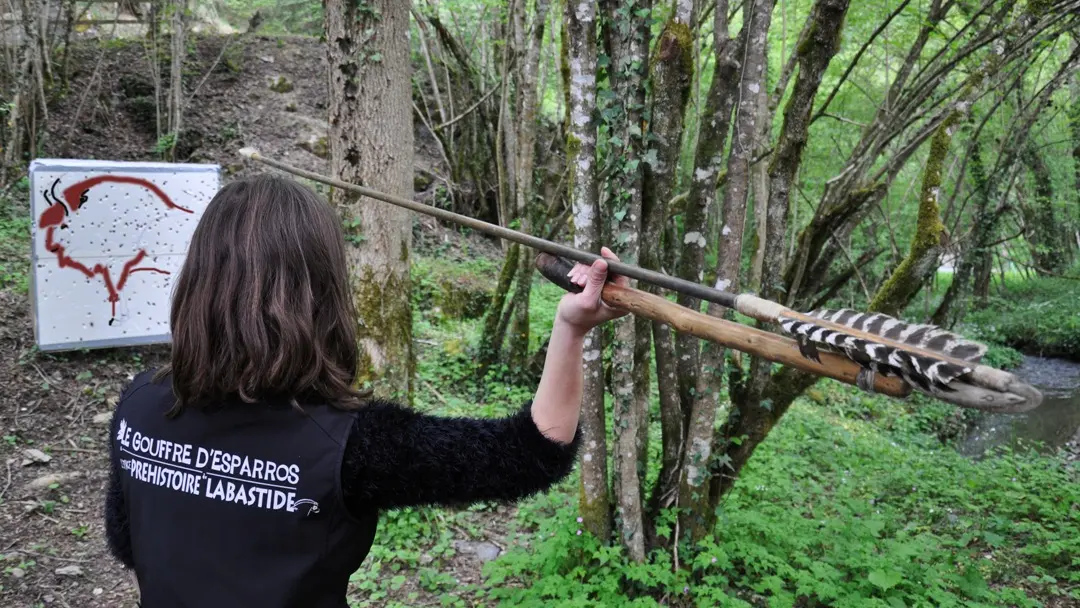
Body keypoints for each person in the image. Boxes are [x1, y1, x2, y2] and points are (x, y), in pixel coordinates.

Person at [103, 174, 628, 608]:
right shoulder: (348, 446)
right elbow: (533, 453)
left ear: (200, 280)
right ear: (321, 292)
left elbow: (129, 543)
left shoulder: (140, 406)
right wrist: (572, 328)